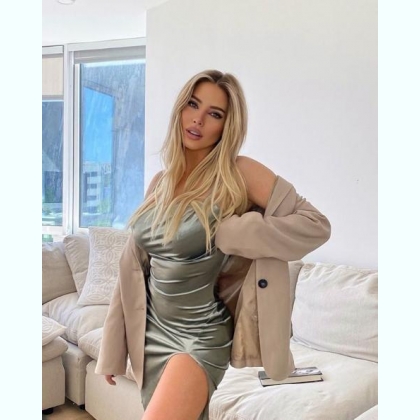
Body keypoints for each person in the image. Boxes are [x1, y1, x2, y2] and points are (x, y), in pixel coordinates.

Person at [96, 69, 331, 420]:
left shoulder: (238, 173)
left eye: (215, 114)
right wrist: (113, 350)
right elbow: (133, 270)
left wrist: (232, 233)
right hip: (152, 335)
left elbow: (315, 225)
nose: (198, 119)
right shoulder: (160, 182)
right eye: (193, 105)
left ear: (226, 126)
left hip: (199, 336)